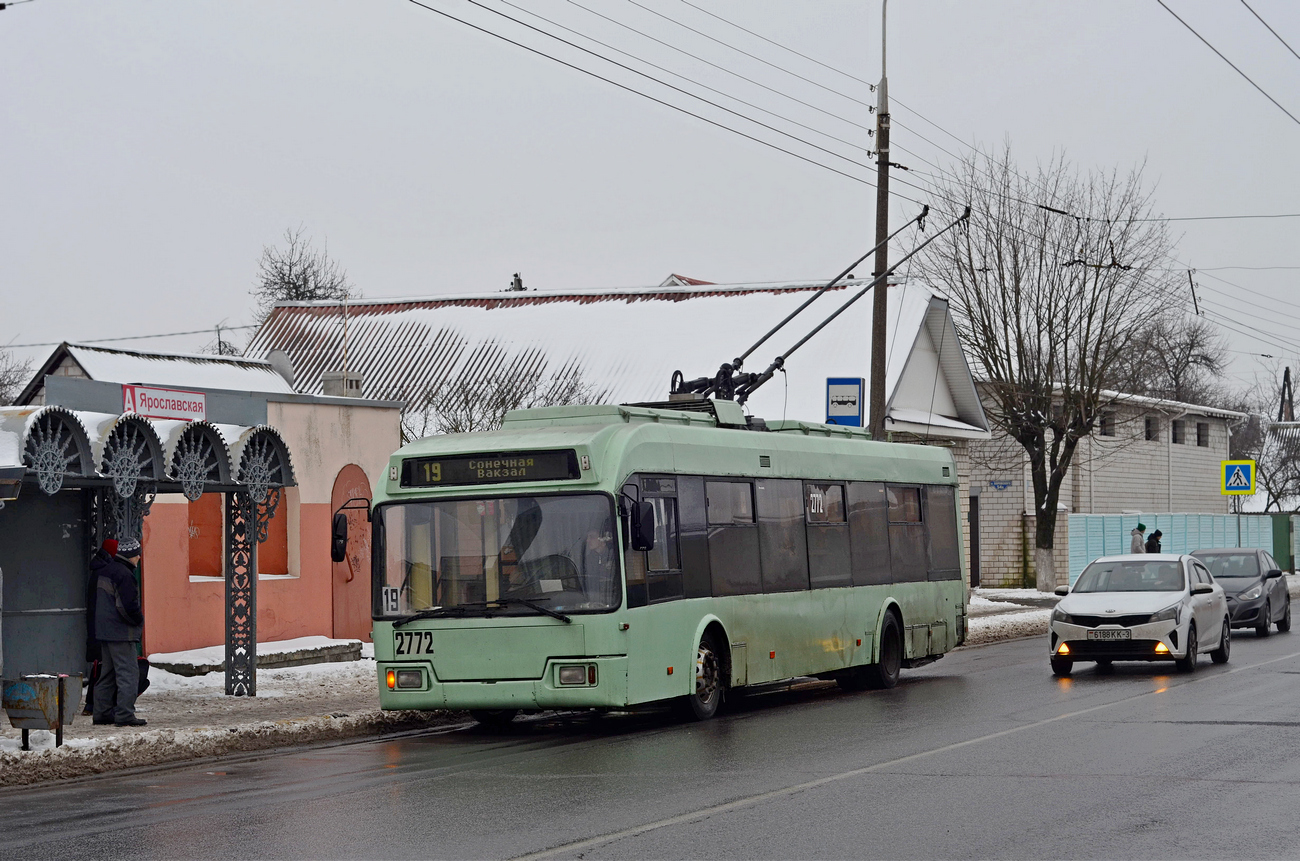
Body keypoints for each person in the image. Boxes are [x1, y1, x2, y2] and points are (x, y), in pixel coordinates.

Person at [92, 537, 146, 727]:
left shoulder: (107, 570)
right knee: (128, 674)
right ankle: (125, 714)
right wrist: (139, 620)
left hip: (105, 631)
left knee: (107, 674)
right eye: (137, 554)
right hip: (121, 633)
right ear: (130, 555)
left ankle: (101, 712)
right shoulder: (125, 575)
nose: (139, 557)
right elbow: (127, 606)